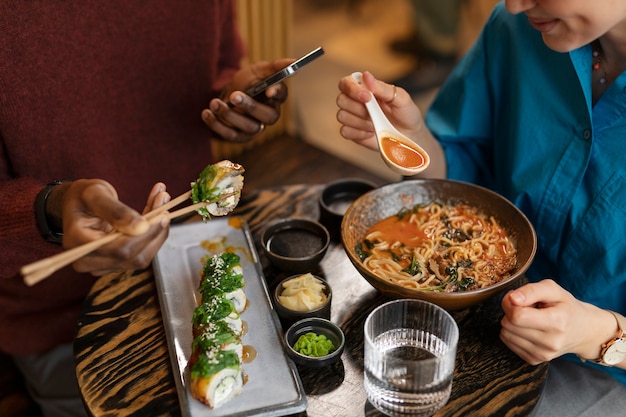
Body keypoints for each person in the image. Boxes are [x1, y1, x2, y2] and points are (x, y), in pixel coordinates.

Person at [0, 1, 291, 416]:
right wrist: (51, 211)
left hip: (193, 256)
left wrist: (235, 99)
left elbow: (219, 66)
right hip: (65, 322)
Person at [337, 0, 626, 415]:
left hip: (603, 370)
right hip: (474, 312)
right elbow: (464, 175)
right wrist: (413, 139)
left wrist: (600, 335)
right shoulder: (517, 28)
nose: (514, 3)